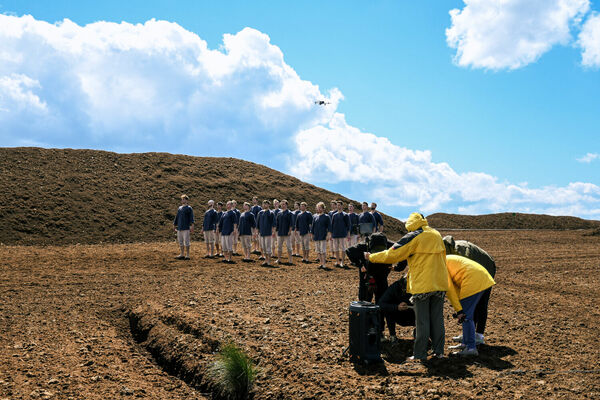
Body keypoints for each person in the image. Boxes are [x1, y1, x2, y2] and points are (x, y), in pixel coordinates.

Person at [365, 212, 448, 361]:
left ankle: (419, 354)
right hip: (440, 282)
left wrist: (371, 257)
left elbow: (393, 254)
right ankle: (439, 352)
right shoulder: (436, 234)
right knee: (437, 319)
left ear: (410, 225)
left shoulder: (413, 236)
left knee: (422, 321)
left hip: (423, 284)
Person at [443, 235, 496, 345]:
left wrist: (460, 308)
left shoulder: (462, 250)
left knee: (480, 304)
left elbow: (466, 275)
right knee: (470, 306)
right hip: (474, 273)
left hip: (486, 268)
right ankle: (469, 335)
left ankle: (479, 335)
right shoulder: (451, 251)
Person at [378, 274, 416, 341]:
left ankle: (421, 334)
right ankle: (392, 335)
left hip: (415, 315)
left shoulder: (420, 287)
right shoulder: (394, 287)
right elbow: (381, 304)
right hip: (398, 315)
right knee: (387, 309)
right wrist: (396, 307)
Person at [173, 194, 195, 260]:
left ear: (187, 200)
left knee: (187, 241)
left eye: (184, 199)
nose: (182, 200)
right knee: (180, 241)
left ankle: (187, 254)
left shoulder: (189, 208)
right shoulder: (179, 208)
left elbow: (191, 217)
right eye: (182, 199)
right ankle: (182, 254)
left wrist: (192, 226)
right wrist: (174, 225)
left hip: (186, 227)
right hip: (179, 227)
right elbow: (177, 217)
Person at [331, 200, 351, 268]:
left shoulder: (345, 215)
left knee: (343, 248)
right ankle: (337, 261)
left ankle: (342, 261)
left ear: (342, 206)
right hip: (335, 234)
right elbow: (332, 225)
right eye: (337, 205)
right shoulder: (334, 215)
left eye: (339, 205)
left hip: (342, 234)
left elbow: (348, 226)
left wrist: (348, 234)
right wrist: (331, 234)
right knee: (336, 248)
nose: (338, 206)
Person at [312, 202, 331, 270]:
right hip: (316, 236)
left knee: (323, 251)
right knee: (318, 251)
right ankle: (321, 263)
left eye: (320, 207)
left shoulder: (326, 217)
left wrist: (328, 235)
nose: (319, 209)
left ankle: (324, 264)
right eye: (318, 207)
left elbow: (329, 227)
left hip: (323, 235)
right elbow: (313, 227)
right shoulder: (315, 217)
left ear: (323, 209)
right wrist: (312, 234)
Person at [256, 200, 276, 267]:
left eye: (266, 204)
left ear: (268, 205)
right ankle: (265, 260)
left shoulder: (271, 213)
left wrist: (273, 232)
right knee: (263, 247)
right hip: (261, 233)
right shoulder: (260, 213)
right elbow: (257, 224)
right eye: (263, 204)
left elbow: (274, 224)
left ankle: (269, 261)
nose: (264, 205)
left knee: (268, 247)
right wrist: (257, 232)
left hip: (268, 233)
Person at [275, 200, 294, 265]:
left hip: (286, 233)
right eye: (282, 204)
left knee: (289, 247)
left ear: (286, 205)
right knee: (279, 246)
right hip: (280, 232)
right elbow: (277, 223)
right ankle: (279, 259)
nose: (283, 205)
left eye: (284, 204)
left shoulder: (289, 213)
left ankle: (290, 260)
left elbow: (291, 223)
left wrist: (290, 231)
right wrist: (276, 231)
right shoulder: (279, 213)